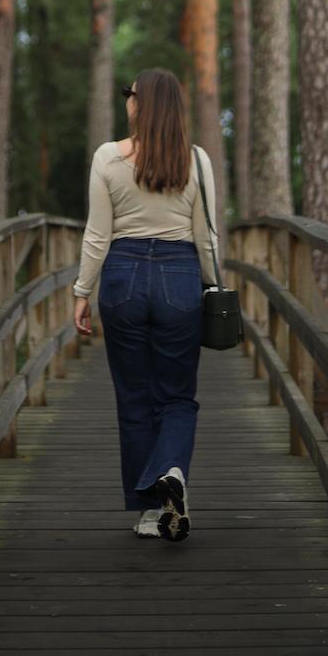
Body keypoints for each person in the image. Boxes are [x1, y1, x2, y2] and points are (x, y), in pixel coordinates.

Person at [73, 67, 218, 542]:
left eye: (129, 94)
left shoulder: (108, 158)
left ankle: (151, 512)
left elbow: (98, 234)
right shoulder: (196, 160)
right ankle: (172, 471)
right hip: (179, 276)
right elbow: (206, 238)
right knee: (176, 396)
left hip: (122, 276)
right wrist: (214, 290)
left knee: (134, 397)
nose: (126, 101)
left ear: (141, 104)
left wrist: (82, 291)